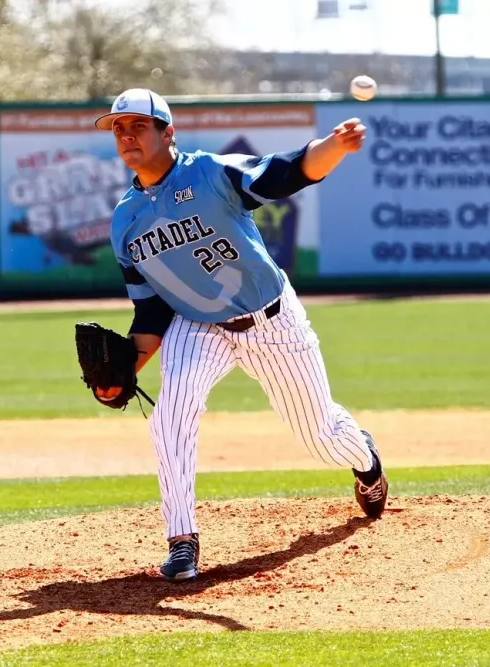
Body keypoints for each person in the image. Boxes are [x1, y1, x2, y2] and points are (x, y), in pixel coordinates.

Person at [92, 89, 388, 582]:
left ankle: (364, 457)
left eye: (137, 125)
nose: (126, 136)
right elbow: (150, 311)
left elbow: (282, 172)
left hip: (271, 319)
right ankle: (181, 538)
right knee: (169, 416)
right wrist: (122, 372)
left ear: (168, 133)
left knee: (319, 436)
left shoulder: (208, 172)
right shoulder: (125, 219)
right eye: (118, 129)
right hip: (197, 324)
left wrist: (333, 146)